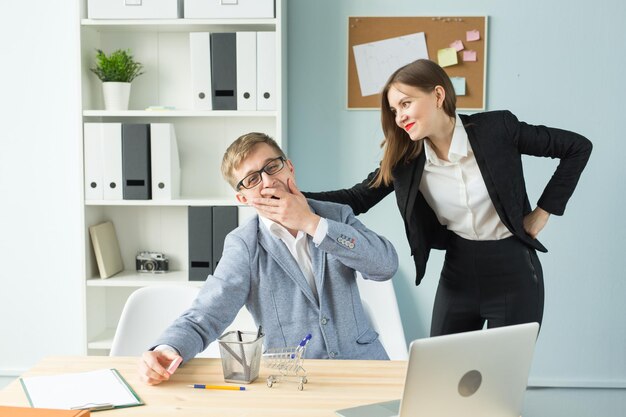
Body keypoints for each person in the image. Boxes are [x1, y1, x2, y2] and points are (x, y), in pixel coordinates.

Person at [306, 59, 592, 337]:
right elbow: (356, 198)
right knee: (442, 373)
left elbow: (577, 147)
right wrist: (288, 196)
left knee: (502, 376)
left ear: (438, 95)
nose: (399, 116)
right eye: (394, 110)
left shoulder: (497, 129)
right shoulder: (405, 161)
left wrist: (543, 212)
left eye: (406, 103)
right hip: (459, 270)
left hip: (514, 271)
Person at [139, 132, 398, 385]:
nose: (267, 181)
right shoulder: (245, 244)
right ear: (243, 198)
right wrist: (168, 347)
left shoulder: (336, 216)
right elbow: (207, 314)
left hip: (365, 370)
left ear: (289, 168)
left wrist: (311, 223)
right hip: (295, 380)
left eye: (272, 167)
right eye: (252, 179)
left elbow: (385, 265)